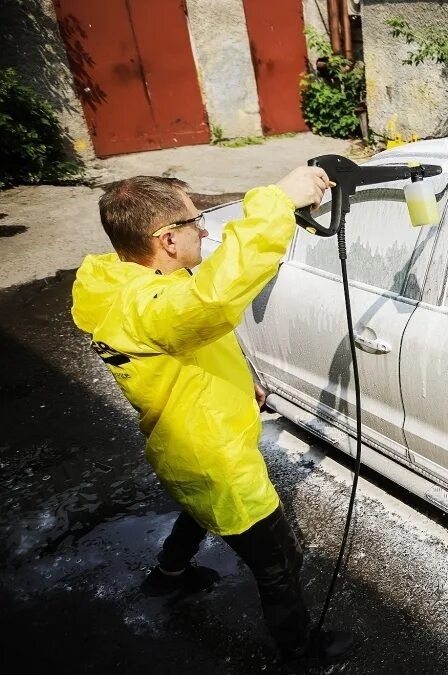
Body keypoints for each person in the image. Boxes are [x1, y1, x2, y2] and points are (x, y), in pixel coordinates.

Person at [71, 167, 357, 662]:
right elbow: (214, 299)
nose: (204, 230)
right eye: (194, 221)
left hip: (185, 447)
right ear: (165, 240)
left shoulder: (114, 283)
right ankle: (301, 651)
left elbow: (191, 335)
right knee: (279, 564)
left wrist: (242, 377)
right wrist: (277, 203)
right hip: (216, 457)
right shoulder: (151, 306)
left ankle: (170, 575)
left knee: (198, 508)